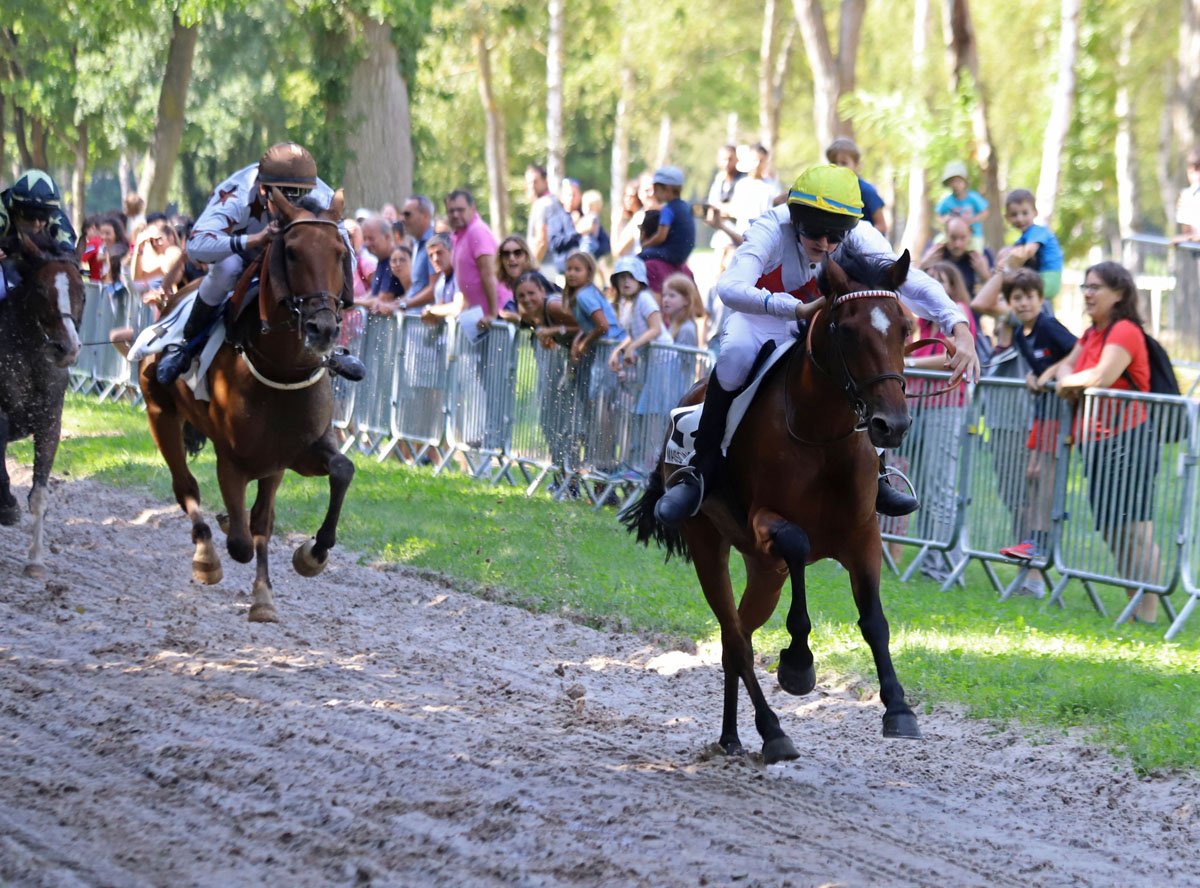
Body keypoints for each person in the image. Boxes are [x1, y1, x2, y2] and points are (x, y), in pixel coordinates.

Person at [653, 163, 980, 527]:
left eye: (835, 236)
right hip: (760, 319)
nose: (824, 244)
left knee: (861, 367)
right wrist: (793, 308)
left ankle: (879, 473)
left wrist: (959, 326)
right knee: (734, 357)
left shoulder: (860, 234)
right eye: (814, 232)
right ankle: (700, 472)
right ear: (795, 218)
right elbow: (730, 288)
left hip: (819, 322)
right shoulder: (770, 228)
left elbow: (910, 279)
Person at [155, 142, 364, 384]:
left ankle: (329, 345)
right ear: (263, 190)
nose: (292, 204)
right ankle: (186, 343)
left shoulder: (323, 196)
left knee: (320, 270)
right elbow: (195, 246)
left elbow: (346, 255)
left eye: (300, 195)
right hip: (242, 251)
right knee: (227, 269)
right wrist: (254, 239)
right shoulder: (237, 193)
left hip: (292, 254)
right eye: (284, 194)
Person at [1047, 261, 1161, 624]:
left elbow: (1101, 376)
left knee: (1135, 529)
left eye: (1095, 287)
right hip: (1095, 442)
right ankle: (1134, 608)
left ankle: (1148, 616)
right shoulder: (1091, 333)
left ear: (1120, 293)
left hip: (1129, 439)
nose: (1088, 294)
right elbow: (1064, 367)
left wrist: (1068, 381)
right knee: (1113, 530)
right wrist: (1068, 377)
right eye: (1085, 287)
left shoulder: (1125, 330)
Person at [997, 269, 1076, 594]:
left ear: (1041, 299)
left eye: (1030, 297)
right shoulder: (1020, 333)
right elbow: (1036, 369)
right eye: (1017, 298)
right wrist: (1034, 377)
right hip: (1041, 414)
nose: (1024, 303)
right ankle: (1034, 541)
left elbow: (1077, 350)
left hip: (1059, 413)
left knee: (1044, 476)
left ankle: (1041, 541)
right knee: (1031, 475)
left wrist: (1051, 374)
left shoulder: (1048, 326)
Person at [445, 188, 503, 332]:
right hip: (479, 315)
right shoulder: (459, 234)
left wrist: (493, 313)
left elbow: (488, 274)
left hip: (497, 314)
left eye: (460, 210)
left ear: (472, 208)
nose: (455, 215)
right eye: (451, 211)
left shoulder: (477, 231)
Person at [0, 169, 77, 262]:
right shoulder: (2, 210)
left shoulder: (55, 217)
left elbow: (68, 253)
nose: (36, 223)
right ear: (16, 209)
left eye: (43, 216)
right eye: (30, 215)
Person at [607, 256, 669, 372]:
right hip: (651, 361)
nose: (626, 281)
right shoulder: (625, 303)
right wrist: (617, 351)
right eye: (622, 277)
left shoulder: (644, 298)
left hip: (665, 359)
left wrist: (633, 346)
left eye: (631, 276)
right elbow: (635, 334)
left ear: (639, 280)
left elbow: (656, 329)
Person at [1000, 188, 1063, 302]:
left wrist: (1007, 262)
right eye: (1014, 214)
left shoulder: (1038, 231)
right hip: (1040, 275)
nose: (1020, 219)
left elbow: (1029, 251)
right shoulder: (1023, 238)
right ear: (1007, 217)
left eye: (1025, 213)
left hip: (1048, 276)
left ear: (1035, 212)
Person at [563, 251, 623, 365]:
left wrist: (585, 343)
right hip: (611, 345)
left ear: (589, 273)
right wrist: (578, 340)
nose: (571, 274)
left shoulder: (583, 295)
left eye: (577, 270)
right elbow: (591, 324)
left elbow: (603, 325)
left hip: (614, 344)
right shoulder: (586, 292)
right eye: (569, 269)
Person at [524, 164, 579, 275]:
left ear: (545, 181)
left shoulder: (543, 204)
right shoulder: (554, 201)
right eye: (529, 183)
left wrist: (529, 268)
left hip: (545, 267)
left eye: (535, 182)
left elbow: (541, 241)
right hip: (557, 266)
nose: (531, 186)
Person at [921, 216, 994, 298]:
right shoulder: (934, 252)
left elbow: (997, 293)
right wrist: (923, 265)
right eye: (953, 238)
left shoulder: (982, 255)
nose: (957, 244)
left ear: (970, 234)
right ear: (946, 234)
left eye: (963, 238)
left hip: (970, 305)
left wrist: (985, 275)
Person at [826, 138, 887, 236]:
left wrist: (859, 236)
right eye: (833, 163)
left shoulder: (867, 191)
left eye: (844, 163)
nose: (838, 167)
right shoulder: (829, 191)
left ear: (856, 164)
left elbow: (881, 226)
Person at [639, 166, 696, 270]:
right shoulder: (685, 206)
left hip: (671, 253)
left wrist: (646, 245)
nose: (654, 193)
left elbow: (661, 236)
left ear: (667, 189)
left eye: (656, 189)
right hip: (683, 254)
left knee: (639, 258)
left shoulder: (668, 210)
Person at [936, 161, 989, 247]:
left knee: (976, 249)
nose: (955, 185)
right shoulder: (947, 201)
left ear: (965, 182)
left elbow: (985, 212)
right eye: (952, 182)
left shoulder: (973, 197)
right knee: (937, 243)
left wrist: (972, 220)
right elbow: (938, 216)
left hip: (973, 235)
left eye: (958, 181)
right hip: (953, 237)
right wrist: (945, 219)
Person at [401, 194, 437, 306]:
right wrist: (396, 304)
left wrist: (404, 305)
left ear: (425, 216)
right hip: (413, 314)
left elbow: (434, 289)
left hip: (424, 315)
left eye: (407, 214)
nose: (403, 219)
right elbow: (416, 288)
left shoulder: (434, 244)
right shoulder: (417, 244)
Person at [661, 273, 704, 347]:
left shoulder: (686, 329)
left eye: (672, 295)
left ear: (686, 300)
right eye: (664, 295)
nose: (665, 300)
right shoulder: (674, 325)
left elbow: (683, 354)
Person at [1172, 147, 1200, 245]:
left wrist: (1190, 238)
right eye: (1193, 170)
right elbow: (1187, 232)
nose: (1197, 176)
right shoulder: (1187, 195)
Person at [577, 189, 610, 260]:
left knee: (585, 256)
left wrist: (578, 230)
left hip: (589, 241)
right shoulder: (587, 217)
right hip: (585, 241)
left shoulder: (592, 216)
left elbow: (589, 227)